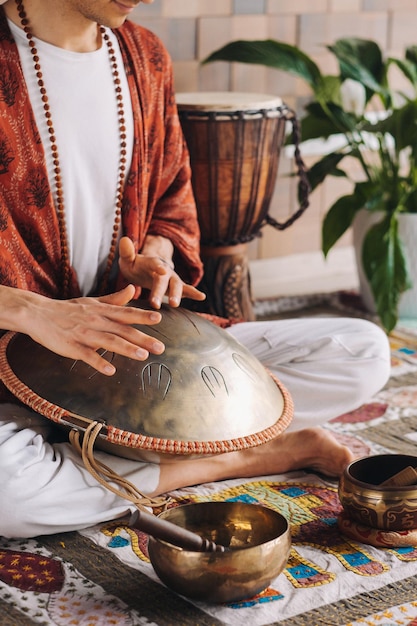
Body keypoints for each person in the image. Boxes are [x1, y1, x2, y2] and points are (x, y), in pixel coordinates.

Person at [0, 0, 391, 539]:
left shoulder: (144, 56)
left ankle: (117, 451)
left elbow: (170, 200)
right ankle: (232, 457)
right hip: (9, 363)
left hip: (134, 361)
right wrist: (32, 311)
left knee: (361, 351)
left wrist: (154, 259)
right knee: (8, 497)